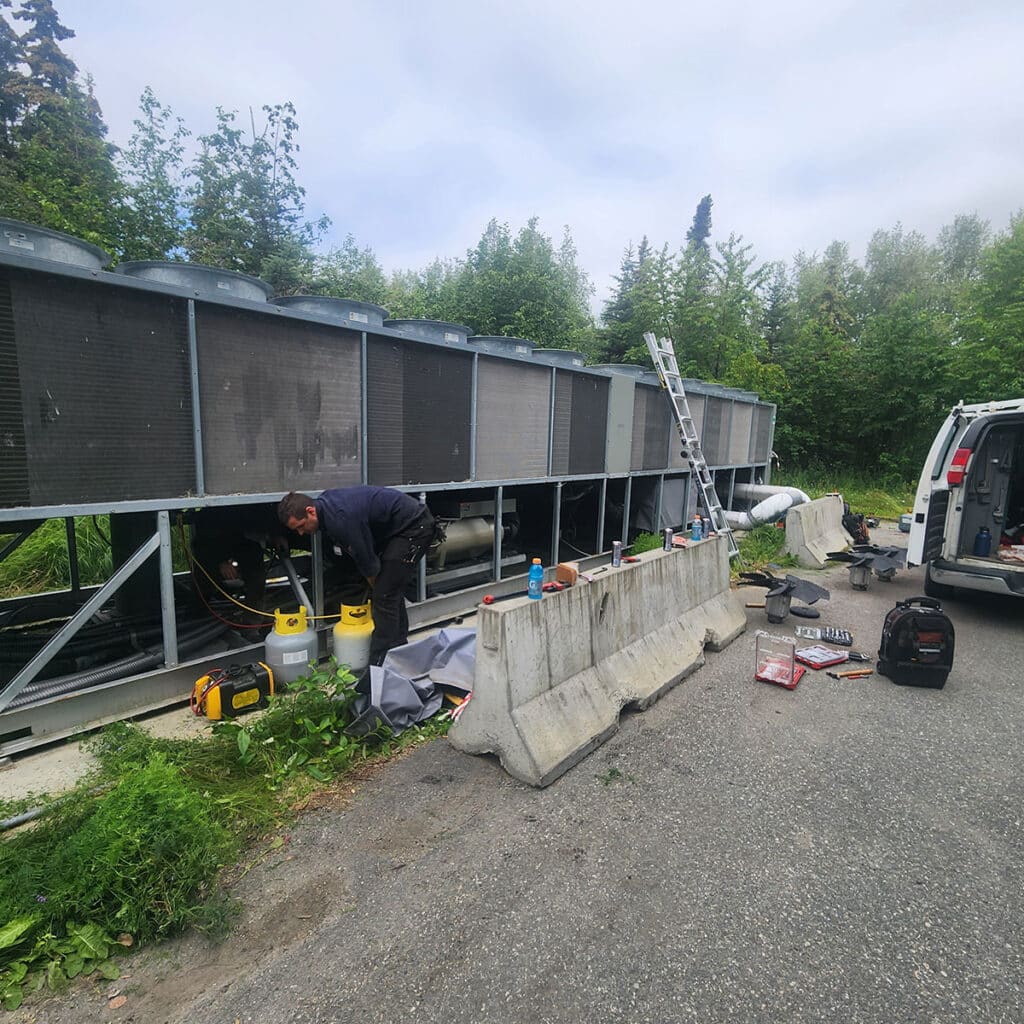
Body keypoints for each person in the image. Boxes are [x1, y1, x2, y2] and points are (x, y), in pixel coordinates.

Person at [278, 487, 436, 665]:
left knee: (384, 596)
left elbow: (369, 564)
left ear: (310, 511)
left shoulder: (341, 519)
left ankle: (380, 663)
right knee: (389, 592)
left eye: (301, 526)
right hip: (395, 530)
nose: (301, 533)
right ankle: (398, 650)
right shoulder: (325, 505)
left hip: (414, 527)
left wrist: (379, 587)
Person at [190, 503, 290, 616]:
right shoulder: (212, 509)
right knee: (205, 576)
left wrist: (275, 535)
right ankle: (195, 614)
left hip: (241, 537)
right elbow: (204, 534)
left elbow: (267, 510)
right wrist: (220, 561)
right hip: (212, 539)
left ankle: (252, 622)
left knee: (256, 572)